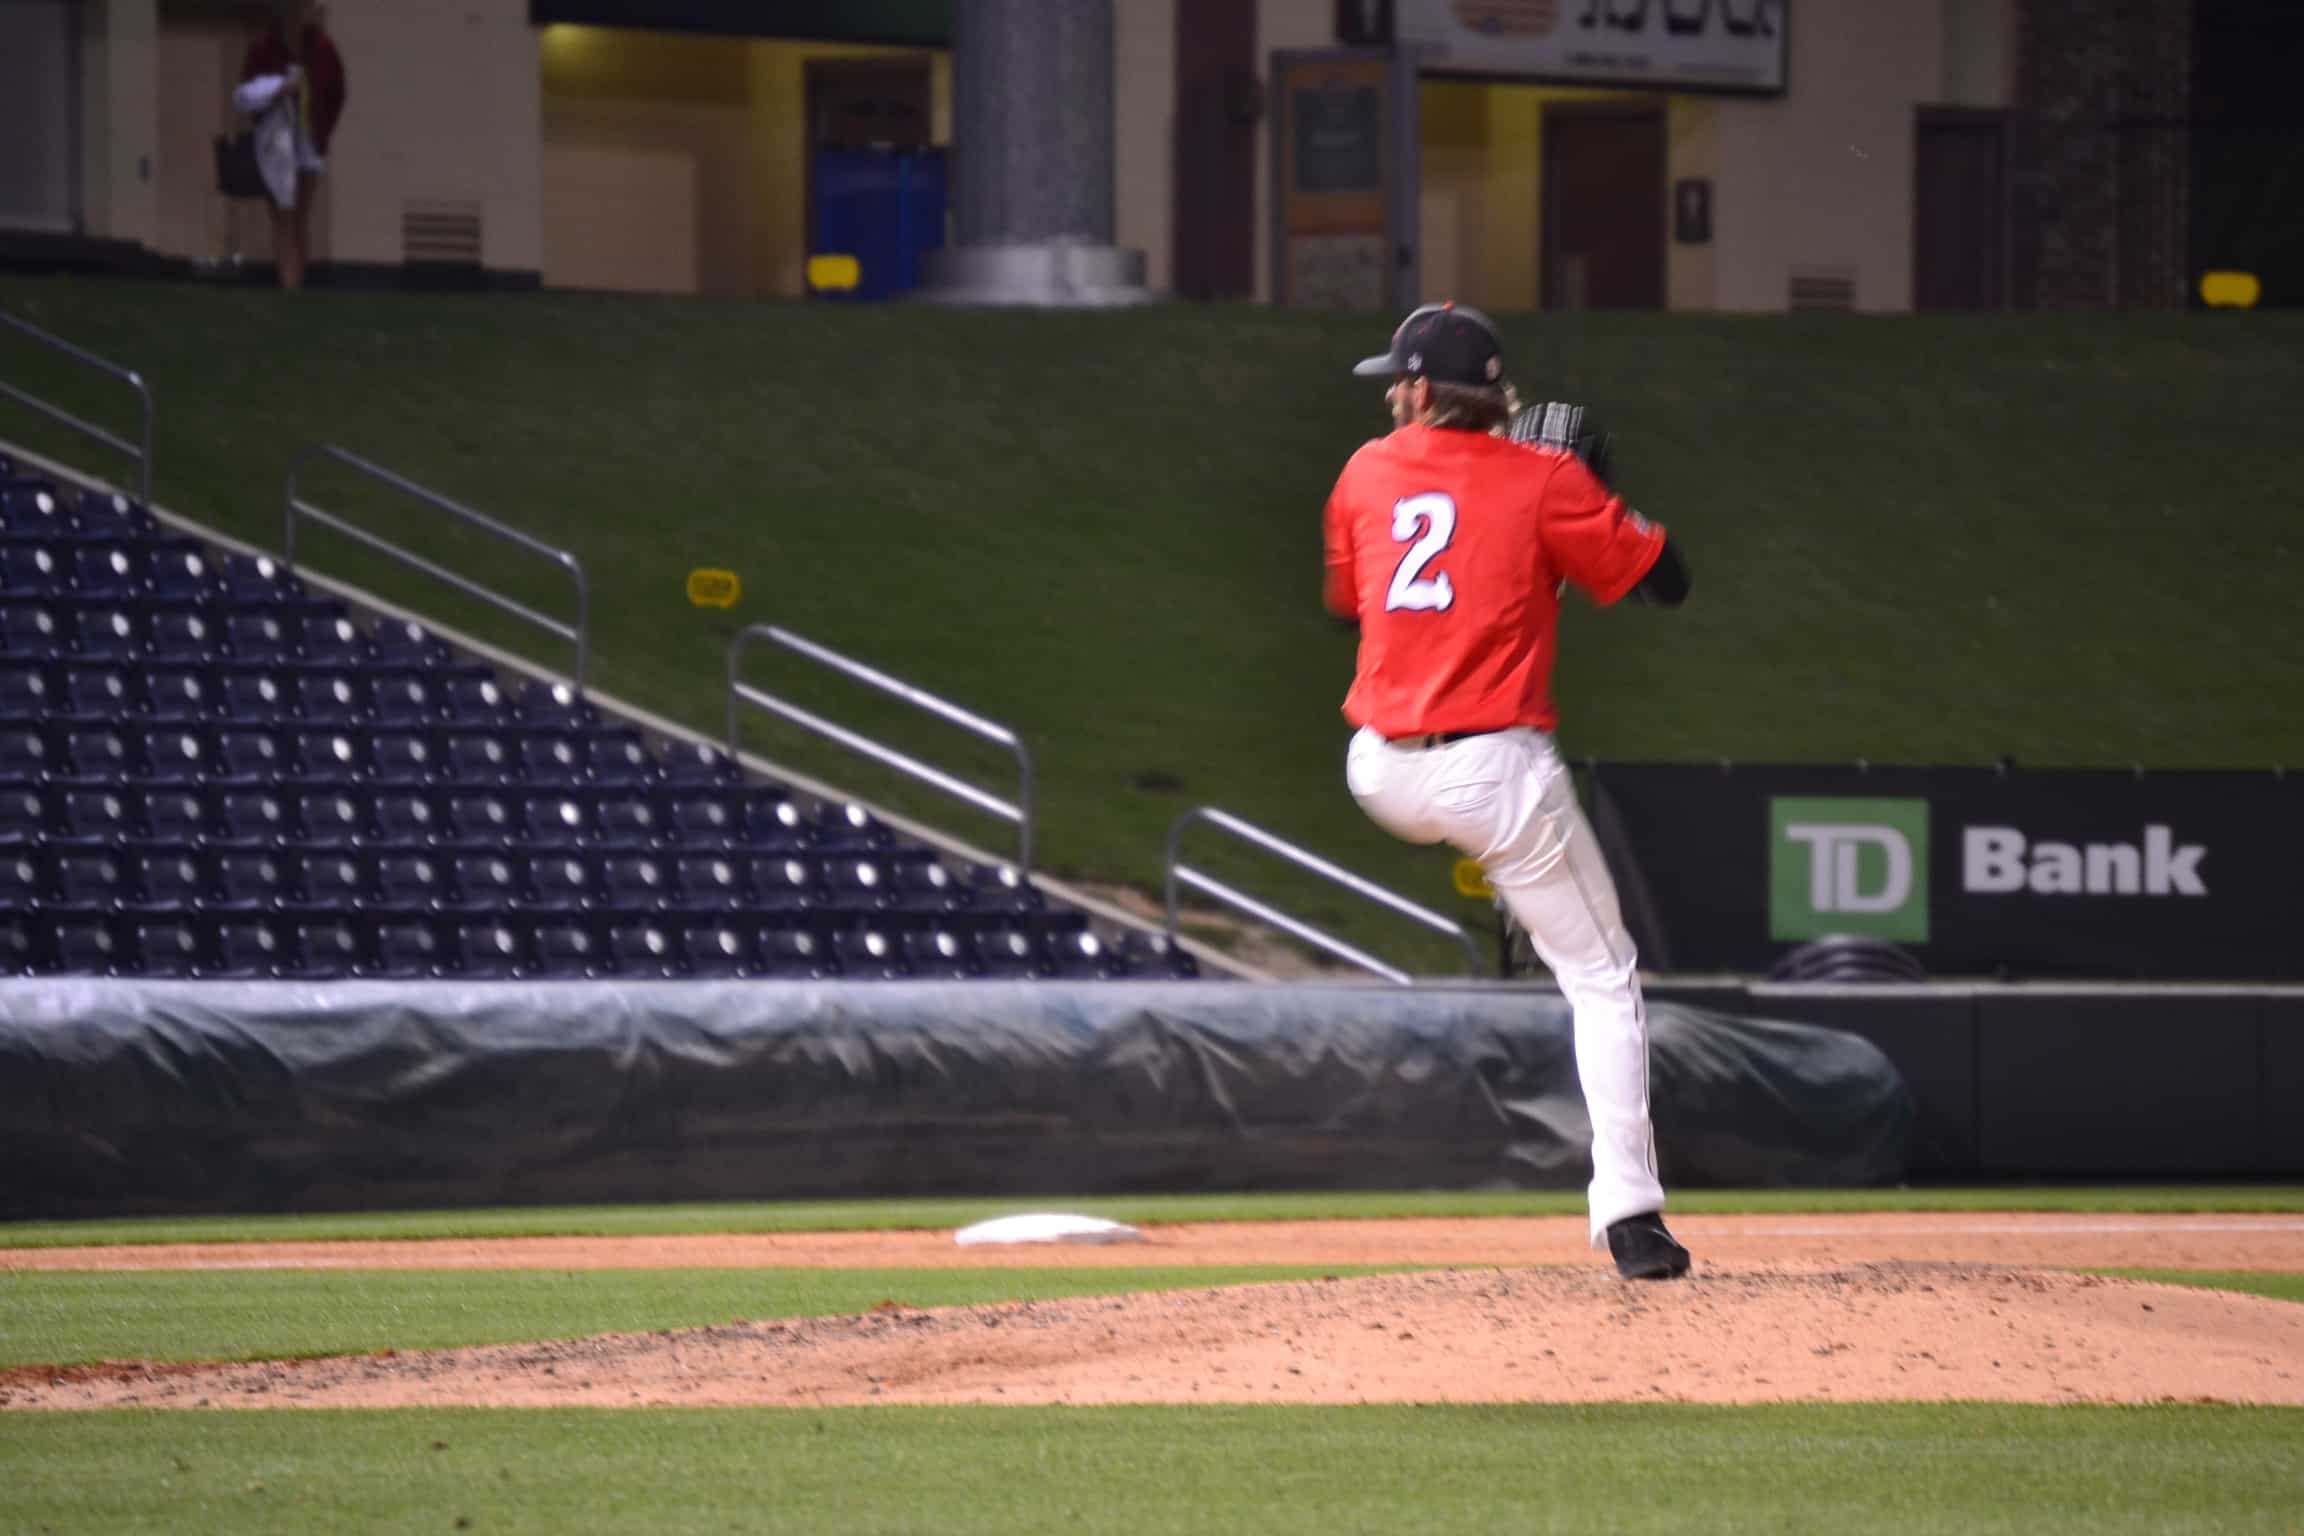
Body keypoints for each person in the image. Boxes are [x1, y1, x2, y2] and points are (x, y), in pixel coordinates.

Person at [1321, 302, 1694, 1281]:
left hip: (1378, 766)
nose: (1392, 396)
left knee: (1497, 607)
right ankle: (1632, 1217)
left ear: (1417, 391)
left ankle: (1630, 1211)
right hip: (1492, 773)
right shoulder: (1546, 478)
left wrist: (1527, 525)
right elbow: (1668, 582)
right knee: (1604, 977)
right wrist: (1596, 503)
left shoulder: (1365, 470)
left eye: (1396, 382)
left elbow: (1350, 607)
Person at [234, 1, 347, 290]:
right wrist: (279, 88)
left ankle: (297, 283)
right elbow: (245, 93)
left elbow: (335, 93)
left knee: (299, 217)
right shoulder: (264, 48)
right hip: (277, 143)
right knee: (283, 215)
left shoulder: (322, 49)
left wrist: (323, 133)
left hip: (308, 143)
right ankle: (290, 284)